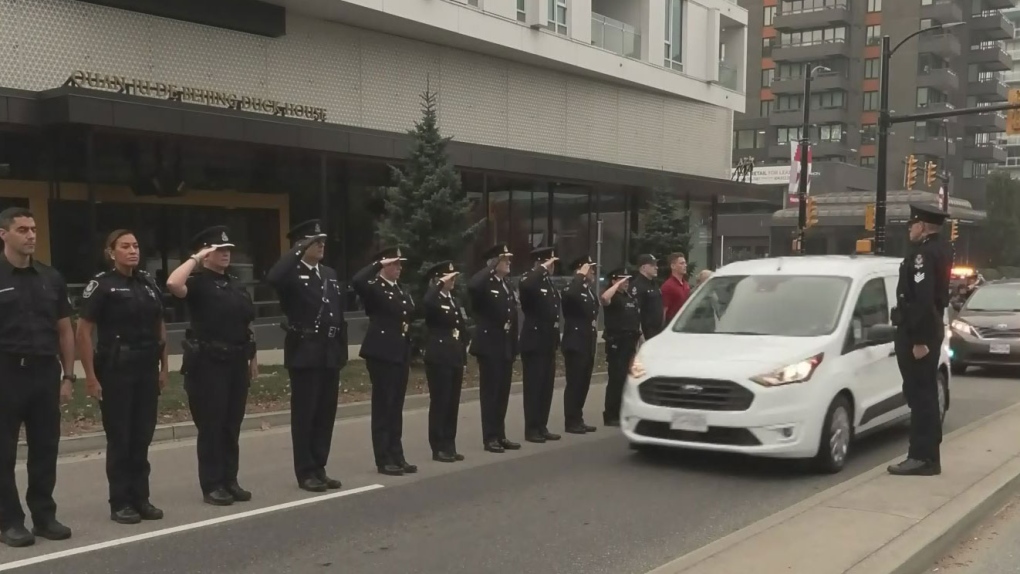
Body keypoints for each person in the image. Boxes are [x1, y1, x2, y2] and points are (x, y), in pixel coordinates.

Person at [76, 230, 167, 525]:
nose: (132, 251)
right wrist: (90, 376)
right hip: (116, 371)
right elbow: (84, 331)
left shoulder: (148, 283)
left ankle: (141, 498)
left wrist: (164, 368)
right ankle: (120, 502)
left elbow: (159, 327)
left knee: (142, 437)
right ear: (111, 252)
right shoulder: (102, 285)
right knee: (121, 438)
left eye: (136, 246)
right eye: (125, 246)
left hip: (145, 370)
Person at [165, 226, 257, 506]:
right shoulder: (197, 283)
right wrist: (195, 258)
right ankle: (212, 484)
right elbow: (172, 284)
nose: (226, 254)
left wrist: (252, 360)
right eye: (219, 250)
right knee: (212, 426)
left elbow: (246, 324)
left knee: (231, 425)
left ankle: (230, 480)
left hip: (236, 362)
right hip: (208, 364)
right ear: (206, 253)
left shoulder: (235, 284)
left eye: (228, 250)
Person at [0, 207, 75, 548]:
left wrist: (69, 375)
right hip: (6, 371)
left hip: (45, 371)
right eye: (22, 229)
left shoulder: (50, 277)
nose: (31, 235)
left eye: (33, 229)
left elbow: (64, 329)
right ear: (4, 234)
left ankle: (44, 516)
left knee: (45, 449)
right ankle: (10, 521)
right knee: (3, 453)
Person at [264, 219, 347, 492]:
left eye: (323, 241)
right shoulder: (291, 273)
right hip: (305, 350)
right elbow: (273, 278)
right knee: (306, 414)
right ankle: (305, 471)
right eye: (315, 241)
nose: (322, 245)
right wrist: (297, 250)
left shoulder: (330, 274)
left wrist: (342, 350)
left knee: (326, 413)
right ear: (301, 244)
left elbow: (339, 313)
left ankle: (319, 467)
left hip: (329, 350)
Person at [888, 203, 952, 477]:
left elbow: (923, 301)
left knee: (921, 396)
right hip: (928, 330)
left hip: (919, 335)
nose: (909, 230)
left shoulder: (923, 256)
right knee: (923, 395)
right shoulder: (940, 249)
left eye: (911, 225)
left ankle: (921, 457)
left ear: (922, 226)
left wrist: (918, 340)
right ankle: (928, 456)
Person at [352, 246, 417, 477]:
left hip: (400, 351)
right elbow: (357, 281)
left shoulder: (400, 289)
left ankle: (397, 454)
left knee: (396, 407)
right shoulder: (374, 287)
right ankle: (383, 458)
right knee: (384, 406)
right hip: (381, 352)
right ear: (383, 265)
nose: (399, 267)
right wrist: (378, 264)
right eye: (394, 263)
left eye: (400, 264)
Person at [467, 243, 521, 454]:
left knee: (502, 393)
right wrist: (491, 266)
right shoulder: (485, 283)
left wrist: (514, 346)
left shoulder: (505, 284)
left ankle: (500, 434)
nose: (509, 263)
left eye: (508, 259)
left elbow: (513, 316)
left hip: (505, 345)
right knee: (490, 394)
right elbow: (472, 286)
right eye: (504, 260)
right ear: (494, 263)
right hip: (490, 346)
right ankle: (489, 437)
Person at [422, 260, 468, 463]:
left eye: (454, 276)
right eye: (449, 277)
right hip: (439, 356)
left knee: (452, 403)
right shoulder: (434, 298)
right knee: (440, 402)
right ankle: (438, 446)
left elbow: (461, 327)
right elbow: (427, 302)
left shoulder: (452, 300)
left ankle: (450, 443)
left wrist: (463, 354)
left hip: (454, 355)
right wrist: (439, 284)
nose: (453, 280)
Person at [518, 246, 562, 444]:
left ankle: (542, 425)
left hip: (548, 341)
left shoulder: (547, 283)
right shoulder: (529, 279)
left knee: (546, 387)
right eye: (550, 263)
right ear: (540, 263)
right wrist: (542, 269)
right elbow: (527, 287)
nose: (553, 267)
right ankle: (531, 428)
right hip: (534, 342)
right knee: (534, 387)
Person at [560, 255, 598, 434]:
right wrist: (580, 276)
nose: (593, 272)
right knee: (574, 383)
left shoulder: (588, 290)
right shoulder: (572, 287)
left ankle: (578, 417)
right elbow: (570, 296)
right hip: (575, 342)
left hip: (587, 342)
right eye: (589, 269)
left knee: (583, 383)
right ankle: (571, 420)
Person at [600, 268, 641, 427]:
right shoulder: (613, 297)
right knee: (616, 379)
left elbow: (636, 320)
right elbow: (604, 298)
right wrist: (616, 286)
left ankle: (621, 411)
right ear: (614, 281)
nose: (627, 283)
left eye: (628, 281)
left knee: (626, 379)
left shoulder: (629, 297)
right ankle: (610, 414)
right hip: (617, 342)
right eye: (623, 280)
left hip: (630, 342)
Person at [631, 254, 663, 341]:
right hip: (646, 333)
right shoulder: (637, 286)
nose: (656, 267)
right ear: (643, 267)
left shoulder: (654, 284)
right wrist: (641, 336)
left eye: (656, 265)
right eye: (652, 265)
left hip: (657, 332)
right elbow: (635, 314)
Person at [660, 252, 691, 324]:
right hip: (672, 323)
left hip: (685, 323)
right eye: (681, 263)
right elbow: (664, 310)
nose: (685, 265)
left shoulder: (686, 284)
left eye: (685, 263)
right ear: (673, 266)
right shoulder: (668, 286)